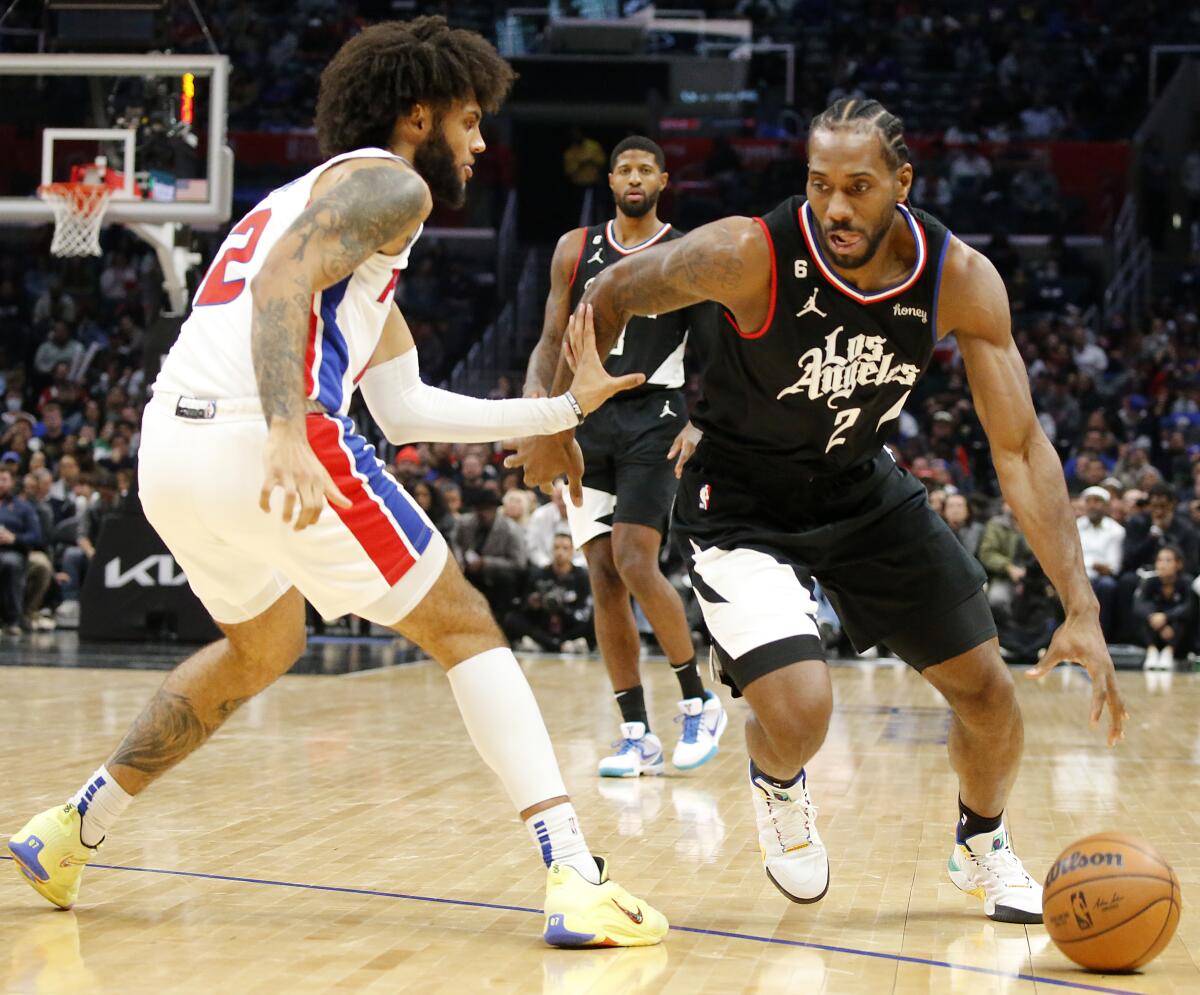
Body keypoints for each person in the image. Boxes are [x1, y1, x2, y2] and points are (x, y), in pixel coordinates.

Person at [7, 18, 666, 950]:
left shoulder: (317, 208)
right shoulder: (389, 184)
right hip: (267, 437)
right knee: (466, 623)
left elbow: (403, 407)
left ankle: (71, 826)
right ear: (416, 114)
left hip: (170, 454)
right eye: (469, 121)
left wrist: (563, 412)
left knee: (261, 645)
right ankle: (573, 874)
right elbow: (282, 285)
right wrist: (285, 428)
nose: (480, 145)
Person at [509, 98, 1127, 924]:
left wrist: (1080, 605)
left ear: (902, 183)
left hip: (860, 485)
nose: (835, 207)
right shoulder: (749, 253)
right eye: (819, 184)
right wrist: (552, 417)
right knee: (801, 711)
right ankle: (777, 780)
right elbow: (610, 291)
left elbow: (1018, 449)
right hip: (740, 497)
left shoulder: (960, 278)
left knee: (988, 694)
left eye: (859, 187)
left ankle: (981, 846)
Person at [524, 135, 727, 778]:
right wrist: (539, 415)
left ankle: (698, 702)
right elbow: (551, 337)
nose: (634, 178)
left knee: (635, 559)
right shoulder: (573, 249)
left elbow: (719, 349)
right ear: (611, 180)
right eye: (625, 170)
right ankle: (635, 732)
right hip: (585, 421)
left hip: (655, 416)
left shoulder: (684, 252)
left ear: (663, 180)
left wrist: (704, 422)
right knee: (602, 578)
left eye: (646, 170)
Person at [504, 532, 594, 653]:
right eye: (556, 548)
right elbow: (524, 607)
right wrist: (532, 604)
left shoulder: (582, 576)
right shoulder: (539, 574)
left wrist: (563, 609)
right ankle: (558, 645)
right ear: (551, 550)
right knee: (512, 619)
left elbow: (585, 611)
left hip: (570, 624)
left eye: (565, 548)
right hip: (544, 624)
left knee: (594, 619)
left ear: (572, 551)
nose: (560, 552)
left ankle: (549, 644)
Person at [453, 487, 528, 617]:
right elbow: (454, 543)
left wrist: (485, 563)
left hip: (497, 580)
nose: (483, 513)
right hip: (467, 572)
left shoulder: (511, 530)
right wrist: (459, 561)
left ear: (495, 510)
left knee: (506, 580)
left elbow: (519, 563)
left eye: (487, 509)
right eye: (480, 509)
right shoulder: (464, 523)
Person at [1132, 545, 1196, 671]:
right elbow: (1138, 606)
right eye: (1159, 560)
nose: (1162, 564)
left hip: (1178, 635)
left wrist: (1166, 617)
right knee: (1146, 614)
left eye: (1168, 560)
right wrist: (1155, 619)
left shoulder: (1186, 582)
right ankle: (1152, 652)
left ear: (1178, 564)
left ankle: (1169, 652)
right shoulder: (1150, 582)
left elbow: (1189, 608)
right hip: (1155, 632)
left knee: (1183, 617)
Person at [1076, 485, 1125, 639]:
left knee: (1107, 585)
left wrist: (1087, 564)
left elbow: (1111, 568)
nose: (1092, 505)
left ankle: (1101, 636)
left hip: (1099, 579)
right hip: (1077, 575)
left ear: (1106, 506)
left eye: (1097, 501)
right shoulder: (1075, 525)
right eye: (1088, 501)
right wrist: (1093, 565)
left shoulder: (1116, 530)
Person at [0, 464, 41, 635]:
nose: (0, 483)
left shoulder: (23, 507)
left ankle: (13, 619)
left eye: (4, 479)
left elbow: (36, 536)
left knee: (9, 563)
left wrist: (14, 539)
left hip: (14, 550)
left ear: (12, 482)